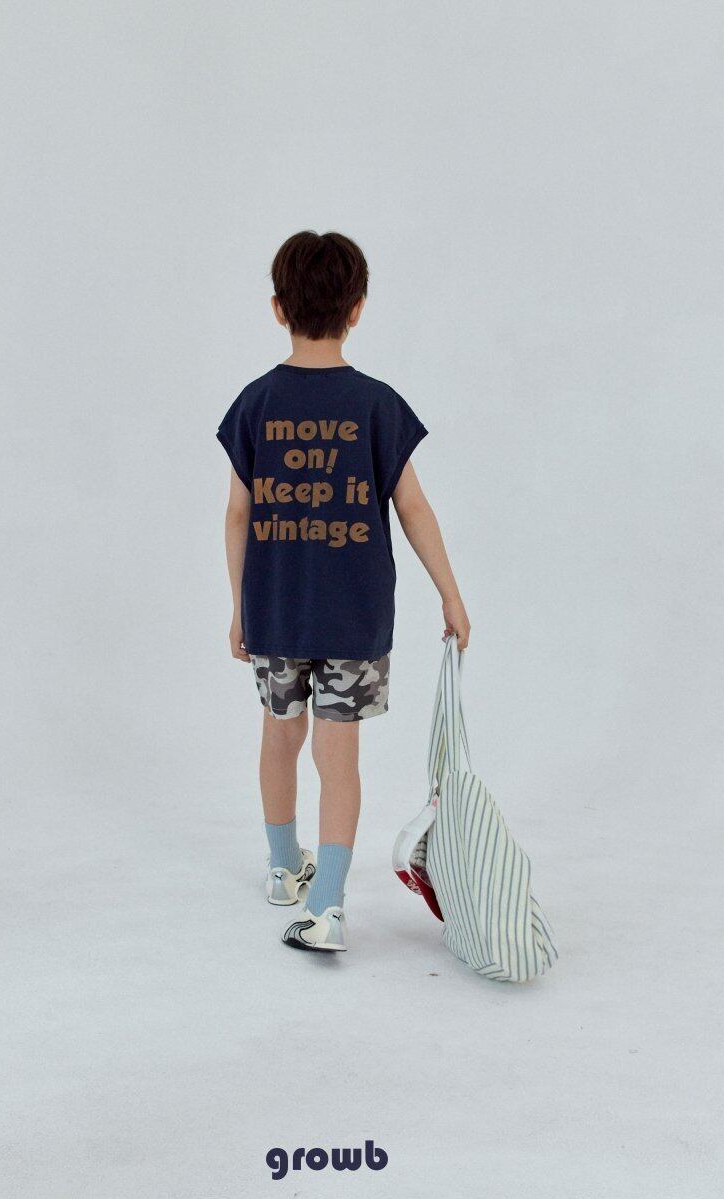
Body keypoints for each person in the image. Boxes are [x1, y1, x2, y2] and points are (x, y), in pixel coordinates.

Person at [216, 230, 470, 952]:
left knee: (279, 734)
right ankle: (326, 901)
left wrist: (239, 607)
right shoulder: (377, 404)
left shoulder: (256, 402)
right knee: (339, 756)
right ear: (357, 309)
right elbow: (412, 507)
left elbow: (237, 514)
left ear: (278, 308)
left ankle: (281, 868)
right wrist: (451, 594)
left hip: (275, 610)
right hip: (354, 617)